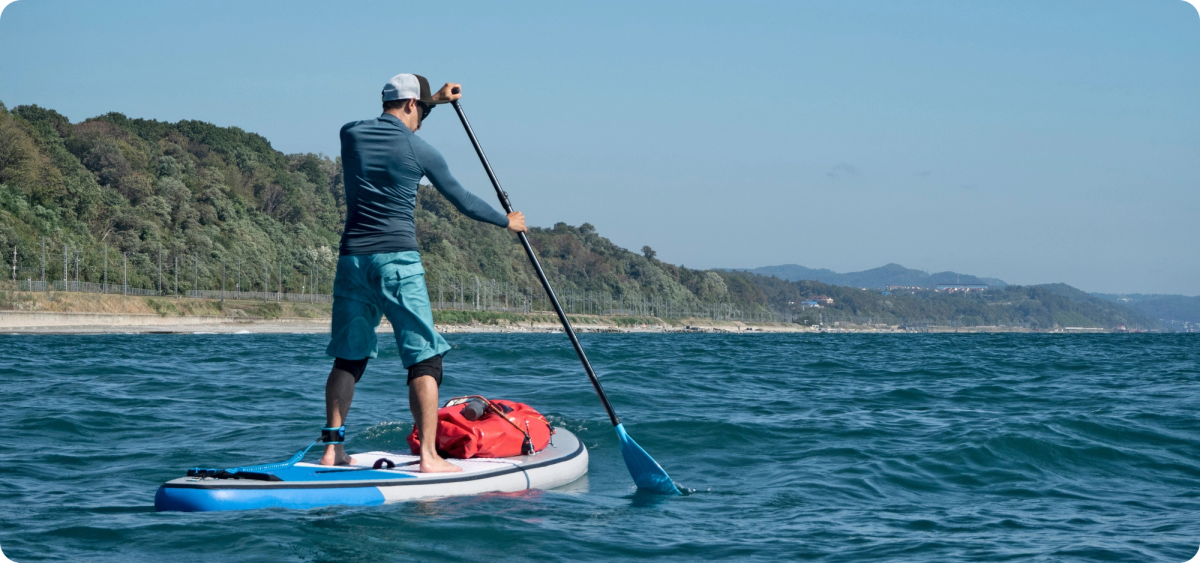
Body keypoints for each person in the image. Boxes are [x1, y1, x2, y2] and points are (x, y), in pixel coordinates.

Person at [319, 73, 526, 472]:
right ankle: (430, 457)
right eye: (421, 111)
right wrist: (507, 222)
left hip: (352, 261)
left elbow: (404, 111)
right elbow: (462, 200)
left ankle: (332, 451)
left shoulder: (350, 134)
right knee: (424, 360)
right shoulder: (420, 150)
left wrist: (433, 99)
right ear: (413, 105)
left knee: (348, 360)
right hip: (397, 261)